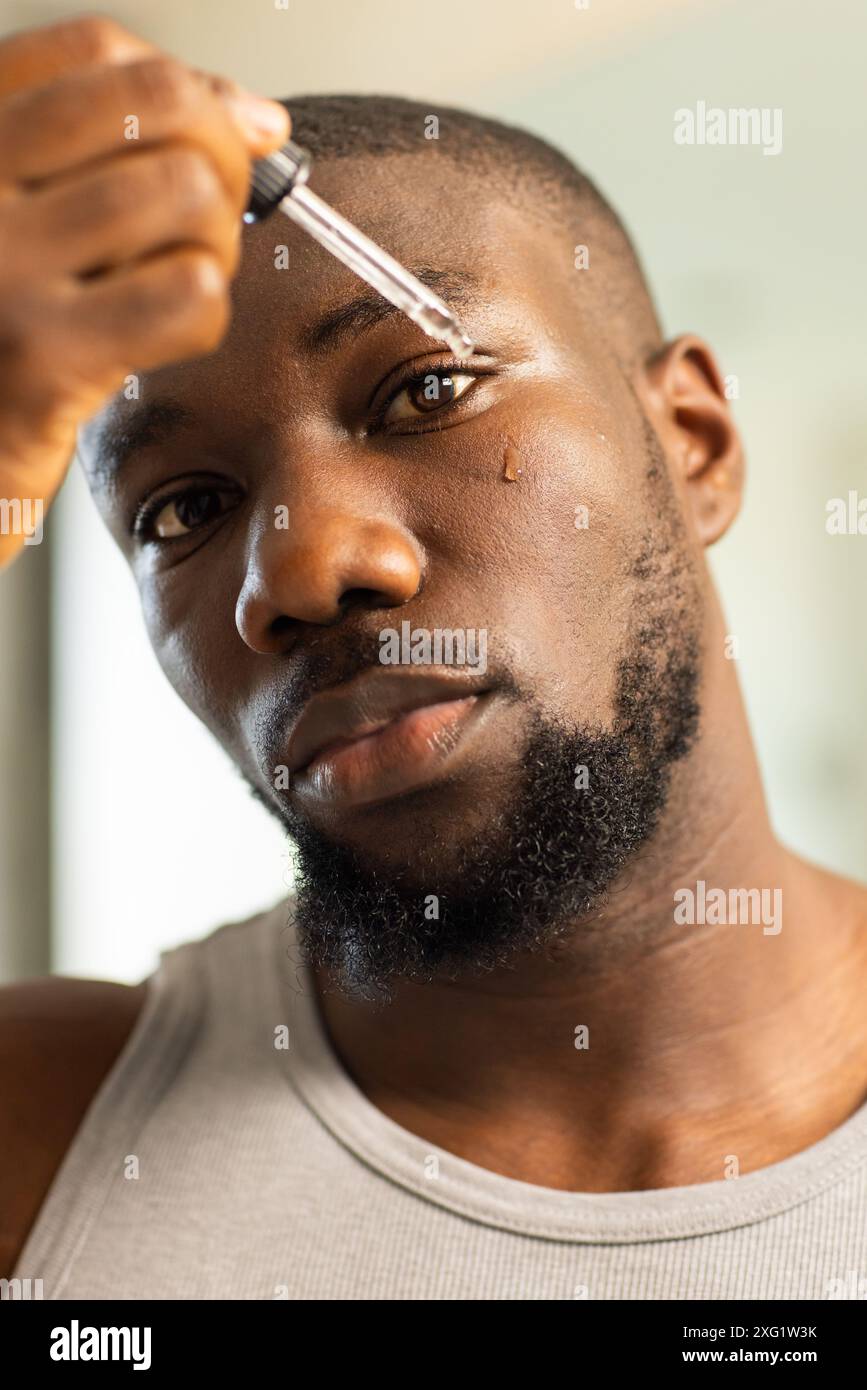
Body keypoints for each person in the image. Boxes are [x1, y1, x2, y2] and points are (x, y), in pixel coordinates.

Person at [2, 14, 866, 1301]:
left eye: (425, 391)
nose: (302, 572)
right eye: (183, 510)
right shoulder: (44, 1139)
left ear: (692, 443)